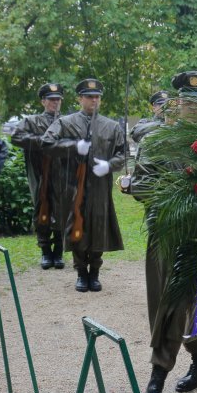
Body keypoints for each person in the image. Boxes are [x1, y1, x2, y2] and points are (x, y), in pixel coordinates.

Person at [128, 71, 197, 393]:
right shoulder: (156, 139)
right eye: (187, 101)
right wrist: (177, 196)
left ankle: (188, 367)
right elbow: (139, 186)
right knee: (168, 305)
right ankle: (159, 382)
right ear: (177, 103)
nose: (193, 108)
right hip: (165, 235)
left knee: (190, 304)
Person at [41, 78, 125, 293]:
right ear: (80, 99)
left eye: (97, 96)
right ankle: (81, 271)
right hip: (72, 186)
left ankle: (94, 272)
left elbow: (122, 153)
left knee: (98, 227)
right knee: (77, 228)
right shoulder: (65, 123)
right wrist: (71, 146)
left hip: (99, 187)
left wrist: (109, 165)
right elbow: (47, 143)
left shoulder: (112, 126)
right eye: (89, 97)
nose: (94, 100)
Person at [11, 83, 68, 269]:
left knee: (61, 211)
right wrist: (41, 141)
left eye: (58, 99)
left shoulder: (67, 122)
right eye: (51, 100)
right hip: (39, 172)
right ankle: (45, 251)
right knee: (41, 210)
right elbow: (16, 137)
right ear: (43, 101)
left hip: (62, 174)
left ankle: (59, 252)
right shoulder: (32, 121)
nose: (55, 103)